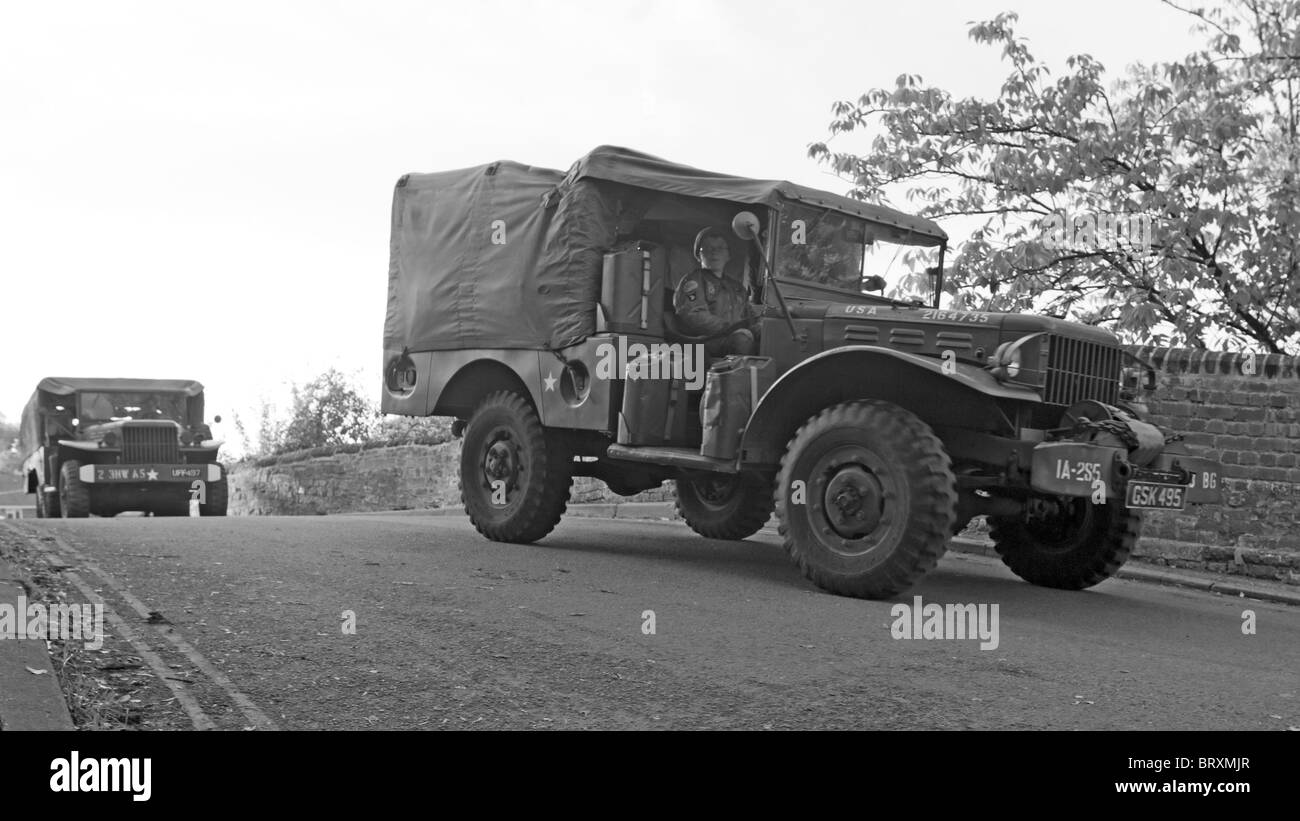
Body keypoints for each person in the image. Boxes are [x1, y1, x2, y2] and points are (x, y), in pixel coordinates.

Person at [672, 226, 759, 356]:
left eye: (720, 248)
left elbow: (749, 315)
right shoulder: (693, 282)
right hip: (707, 342)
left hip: (734, 337)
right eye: (707, 248)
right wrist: (730, 328)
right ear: (698, 255)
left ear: (728, 255)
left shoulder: (737, 287)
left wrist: (759, 325)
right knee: (742, 340)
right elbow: (694, 315)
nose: (714, 252)